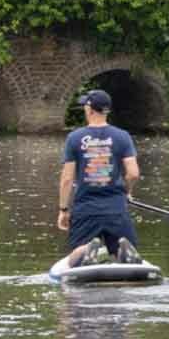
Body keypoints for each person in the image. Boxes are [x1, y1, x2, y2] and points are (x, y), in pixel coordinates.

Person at [58, 89, 142, 263]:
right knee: (120, 250)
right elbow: (133, 173)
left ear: (89, 109)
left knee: (74, 257)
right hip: (116, 209)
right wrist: (126, 192)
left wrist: (64, 210)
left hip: (85, 210)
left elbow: (67, 180)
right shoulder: (123, 136)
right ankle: (123, 251)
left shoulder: (74, 138)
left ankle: (86, 251)